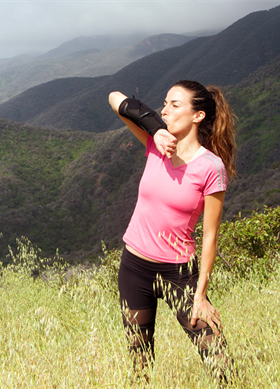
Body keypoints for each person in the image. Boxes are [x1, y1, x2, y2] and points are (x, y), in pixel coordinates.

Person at [108, 80, 236, 380]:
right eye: (164, 103)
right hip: (133, 268)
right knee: (139, 360)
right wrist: (155, 128)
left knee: (219, 360)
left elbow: (210, 236)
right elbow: (115, 98)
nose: (165, 110)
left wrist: (201, 294)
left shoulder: (211, 167)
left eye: (174, 105)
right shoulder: (154, 143)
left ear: (198, 115)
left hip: (178, 274)